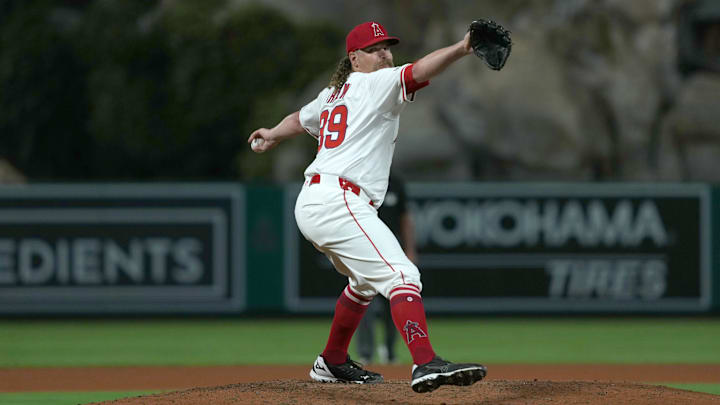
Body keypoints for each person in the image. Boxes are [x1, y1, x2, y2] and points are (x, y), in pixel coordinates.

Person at [248, 21, 487, 393]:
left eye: (387, 47)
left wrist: (272, 134)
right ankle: (425, 362)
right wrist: (462, 47)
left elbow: (300, 119)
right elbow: (421, 69)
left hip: (318, 200)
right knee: (403, 276)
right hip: (339, 201)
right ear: (355, 58)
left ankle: (332, 360)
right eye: (375, 49)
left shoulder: (333, 94)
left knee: (362, 284)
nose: (385, 54)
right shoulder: (376, 83)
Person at [355, 172, 415, 365]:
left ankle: (389, 352)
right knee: (364, 304)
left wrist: (410, 250)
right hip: (365, 251)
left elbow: (405, 219)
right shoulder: (360, 179)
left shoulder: (395, 183)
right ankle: (366, 353)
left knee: (394, 304)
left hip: (392, 251)